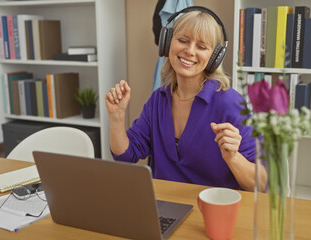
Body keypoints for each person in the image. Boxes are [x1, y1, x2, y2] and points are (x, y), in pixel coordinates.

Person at [105, 7, 267, 191]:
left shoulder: (230, 103)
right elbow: (126, 155)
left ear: (215, 57)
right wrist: (117, 118)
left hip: (213, 211)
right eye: (183, 40)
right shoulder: (158, 100)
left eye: (201, 46)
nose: (190, 51)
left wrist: (233, 157)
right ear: (167, 43)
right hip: (166, 208)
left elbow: (260, 185)